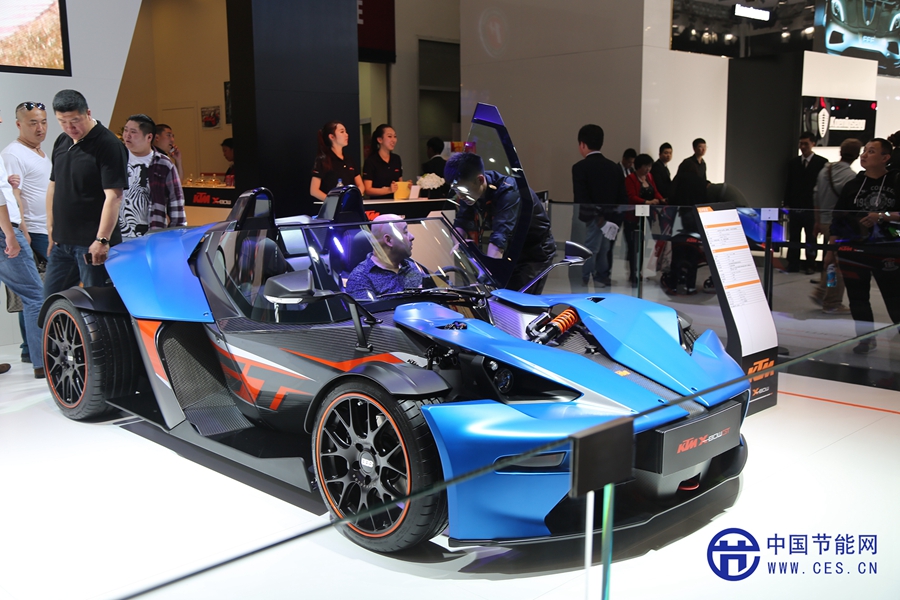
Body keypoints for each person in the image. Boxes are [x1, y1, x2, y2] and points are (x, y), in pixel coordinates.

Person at [44, 89, 128, 296]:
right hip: (62, 243)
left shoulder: (108, 144)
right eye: (62, 121)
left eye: (75, 121)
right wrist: (51, 228)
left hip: (92, 244)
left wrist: (102, 240)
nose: (69, 127)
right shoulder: (62, 141)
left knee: (96, 304)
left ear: (88, 113)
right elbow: (53, 185)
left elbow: (114, 196)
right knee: (51, 302)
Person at [827, 138, 900, 354]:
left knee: (894, 297)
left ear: (885, 158)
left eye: (871, 151)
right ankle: (865, 339)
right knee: (858, 298)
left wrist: (882, 216)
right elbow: (838, 218)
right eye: (864, 151)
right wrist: (831, 250)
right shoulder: (852, 185)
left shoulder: (896, 182)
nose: (864, 155)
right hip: (854, 249)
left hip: (887, 249)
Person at [445, 151, 556, 294]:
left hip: (533, 252)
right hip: (510, 250)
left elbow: (500, 237)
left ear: (480, 180)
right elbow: (461, 222)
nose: (460, 196)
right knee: (500, 296)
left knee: (519, 299)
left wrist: (488, 275)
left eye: (462, 190)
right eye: (455, 190)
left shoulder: (509, 191)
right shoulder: (470, 189)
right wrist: (459, 245)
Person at [2, 101, 51, 364]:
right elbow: (10, 195)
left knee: (32, 289)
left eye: (43, 122)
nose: (40, 127)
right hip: (29, 230)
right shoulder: (13, 153)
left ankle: (31, 350)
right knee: (33, 292)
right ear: (19, 124)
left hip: (43, 229)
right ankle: (35, 354)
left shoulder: (40, 153)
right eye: (33, 123)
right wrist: (20, 230)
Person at [810, 138, 861, 314]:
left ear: (840, 151)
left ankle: (822, 292)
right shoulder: (851, 177)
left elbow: (816, 197)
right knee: (839, 265)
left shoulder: (825, 170)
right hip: (840, 226)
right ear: (857, 155)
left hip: (824, 221)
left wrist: (817, 221)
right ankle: (832, 301)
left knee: (831, 259)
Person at [572, 124, 626, 287]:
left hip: (591, 218)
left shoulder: (580, 168)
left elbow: (581, 198)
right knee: (604, 249)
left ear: (582, 144)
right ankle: (602, 278)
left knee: (589, 248)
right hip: (610, 218)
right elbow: (622, 198)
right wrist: (613, 219)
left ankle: (583, 279)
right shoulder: (614, 168)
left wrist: (598, 218)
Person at [119, 114, 186, 239]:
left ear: (149, 137)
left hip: (153, 235)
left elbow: (176, 201)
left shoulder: (164, 164)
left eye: (133, 132)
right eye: (126, 130)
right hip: (117, 235)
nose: (127, 135)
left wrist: (177, 236)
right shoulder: (115, 159)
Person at [345, 215, 422, 300]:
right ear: (388, 240)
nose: (412, 237)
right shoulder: (360, 278)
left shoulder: (411, 267)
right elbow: (369, 309)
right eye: (405, 232)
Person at [784, 132, 827, 274]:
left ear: (813, 144)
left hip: (812, 207)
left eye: (806, 144)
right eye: (801, 144)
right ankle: (793, 263)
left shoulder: (822, 163)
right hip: (796, 205)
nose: (802, 147)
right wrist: (787, 203)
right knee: (794, 236)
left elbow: (821, 187)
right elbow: (789, 184)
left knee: (811, 236)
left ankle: (810, 264)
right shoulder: (793, 163)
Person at [624, 154, 665, 285]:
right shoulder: (630, 179)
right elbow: (631, 196)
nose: (648, 169)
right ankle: (633, 273)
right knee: (633, 246)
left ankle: (639, 272)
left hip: (647, 217)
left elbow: (655, 191)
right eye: (645, 166)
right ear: (639, 166)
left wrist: (661, 199)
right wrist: (646, 202)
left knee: (642, 245)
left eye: (649, 166)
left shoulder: (650, 177)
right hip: (633, 217)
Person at [310, 121, 364, 201]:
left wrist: (353, 198)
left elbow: (361, 185)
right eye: (342, 132)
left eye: (346, 132)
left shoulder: (349, 159)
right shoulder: (323, 160)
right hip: (332, 206)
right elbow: (314, 190)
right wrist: (334, 202)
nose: (346, 134)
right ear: (332, 137)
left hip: (350, 204)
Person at [362, 124, 402, 199]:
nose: (393, 140)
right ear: (380, 140)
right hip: (378, 202)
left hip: (395, 201)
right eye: (389, 136)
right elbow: (367, 189)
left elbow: (399, 183)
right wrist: (388, 190)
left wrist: (406, 186)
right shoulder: (371, 161)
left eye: (395, 136)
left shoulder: (396, 159)